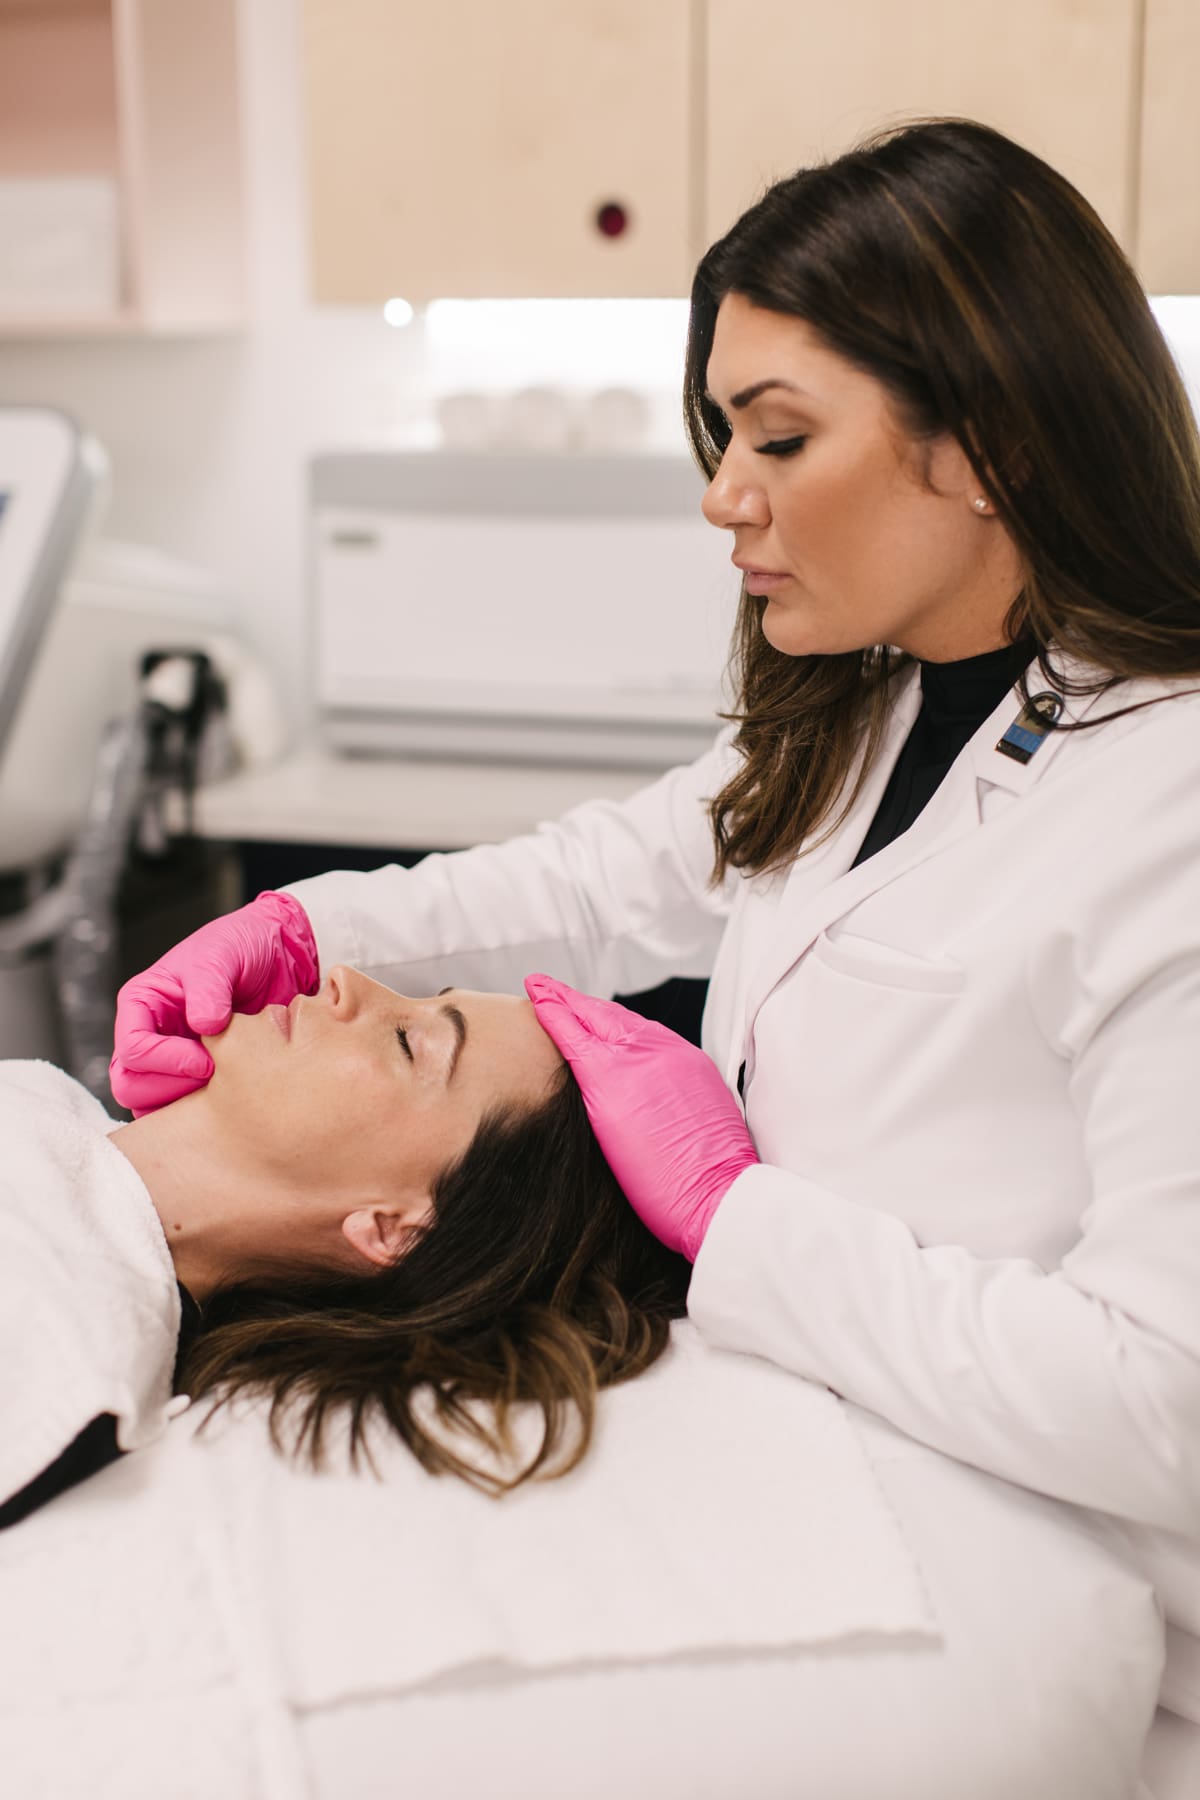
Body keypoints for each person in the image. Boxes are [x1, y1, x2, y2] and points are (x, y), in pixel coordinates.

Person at [110, 116, 1200, 1792]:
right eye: (718, 430)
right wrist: (318, 922)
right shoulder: (898, 690)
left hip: (1103, 1628)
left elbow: (1166, 1410)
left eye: (777, 435)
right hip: (853, 1456)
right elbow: (635, 871)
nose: (724, 496)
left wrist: (735, 1219)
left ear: (986, 445)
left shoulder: (1172, 811)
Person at [0, 966, 689, 1528]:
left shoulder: (69, 1341)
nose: (347, 980)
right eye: (421, 997)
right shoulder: (44, 1105)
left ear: (393, 1227)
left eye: (406, 1041)